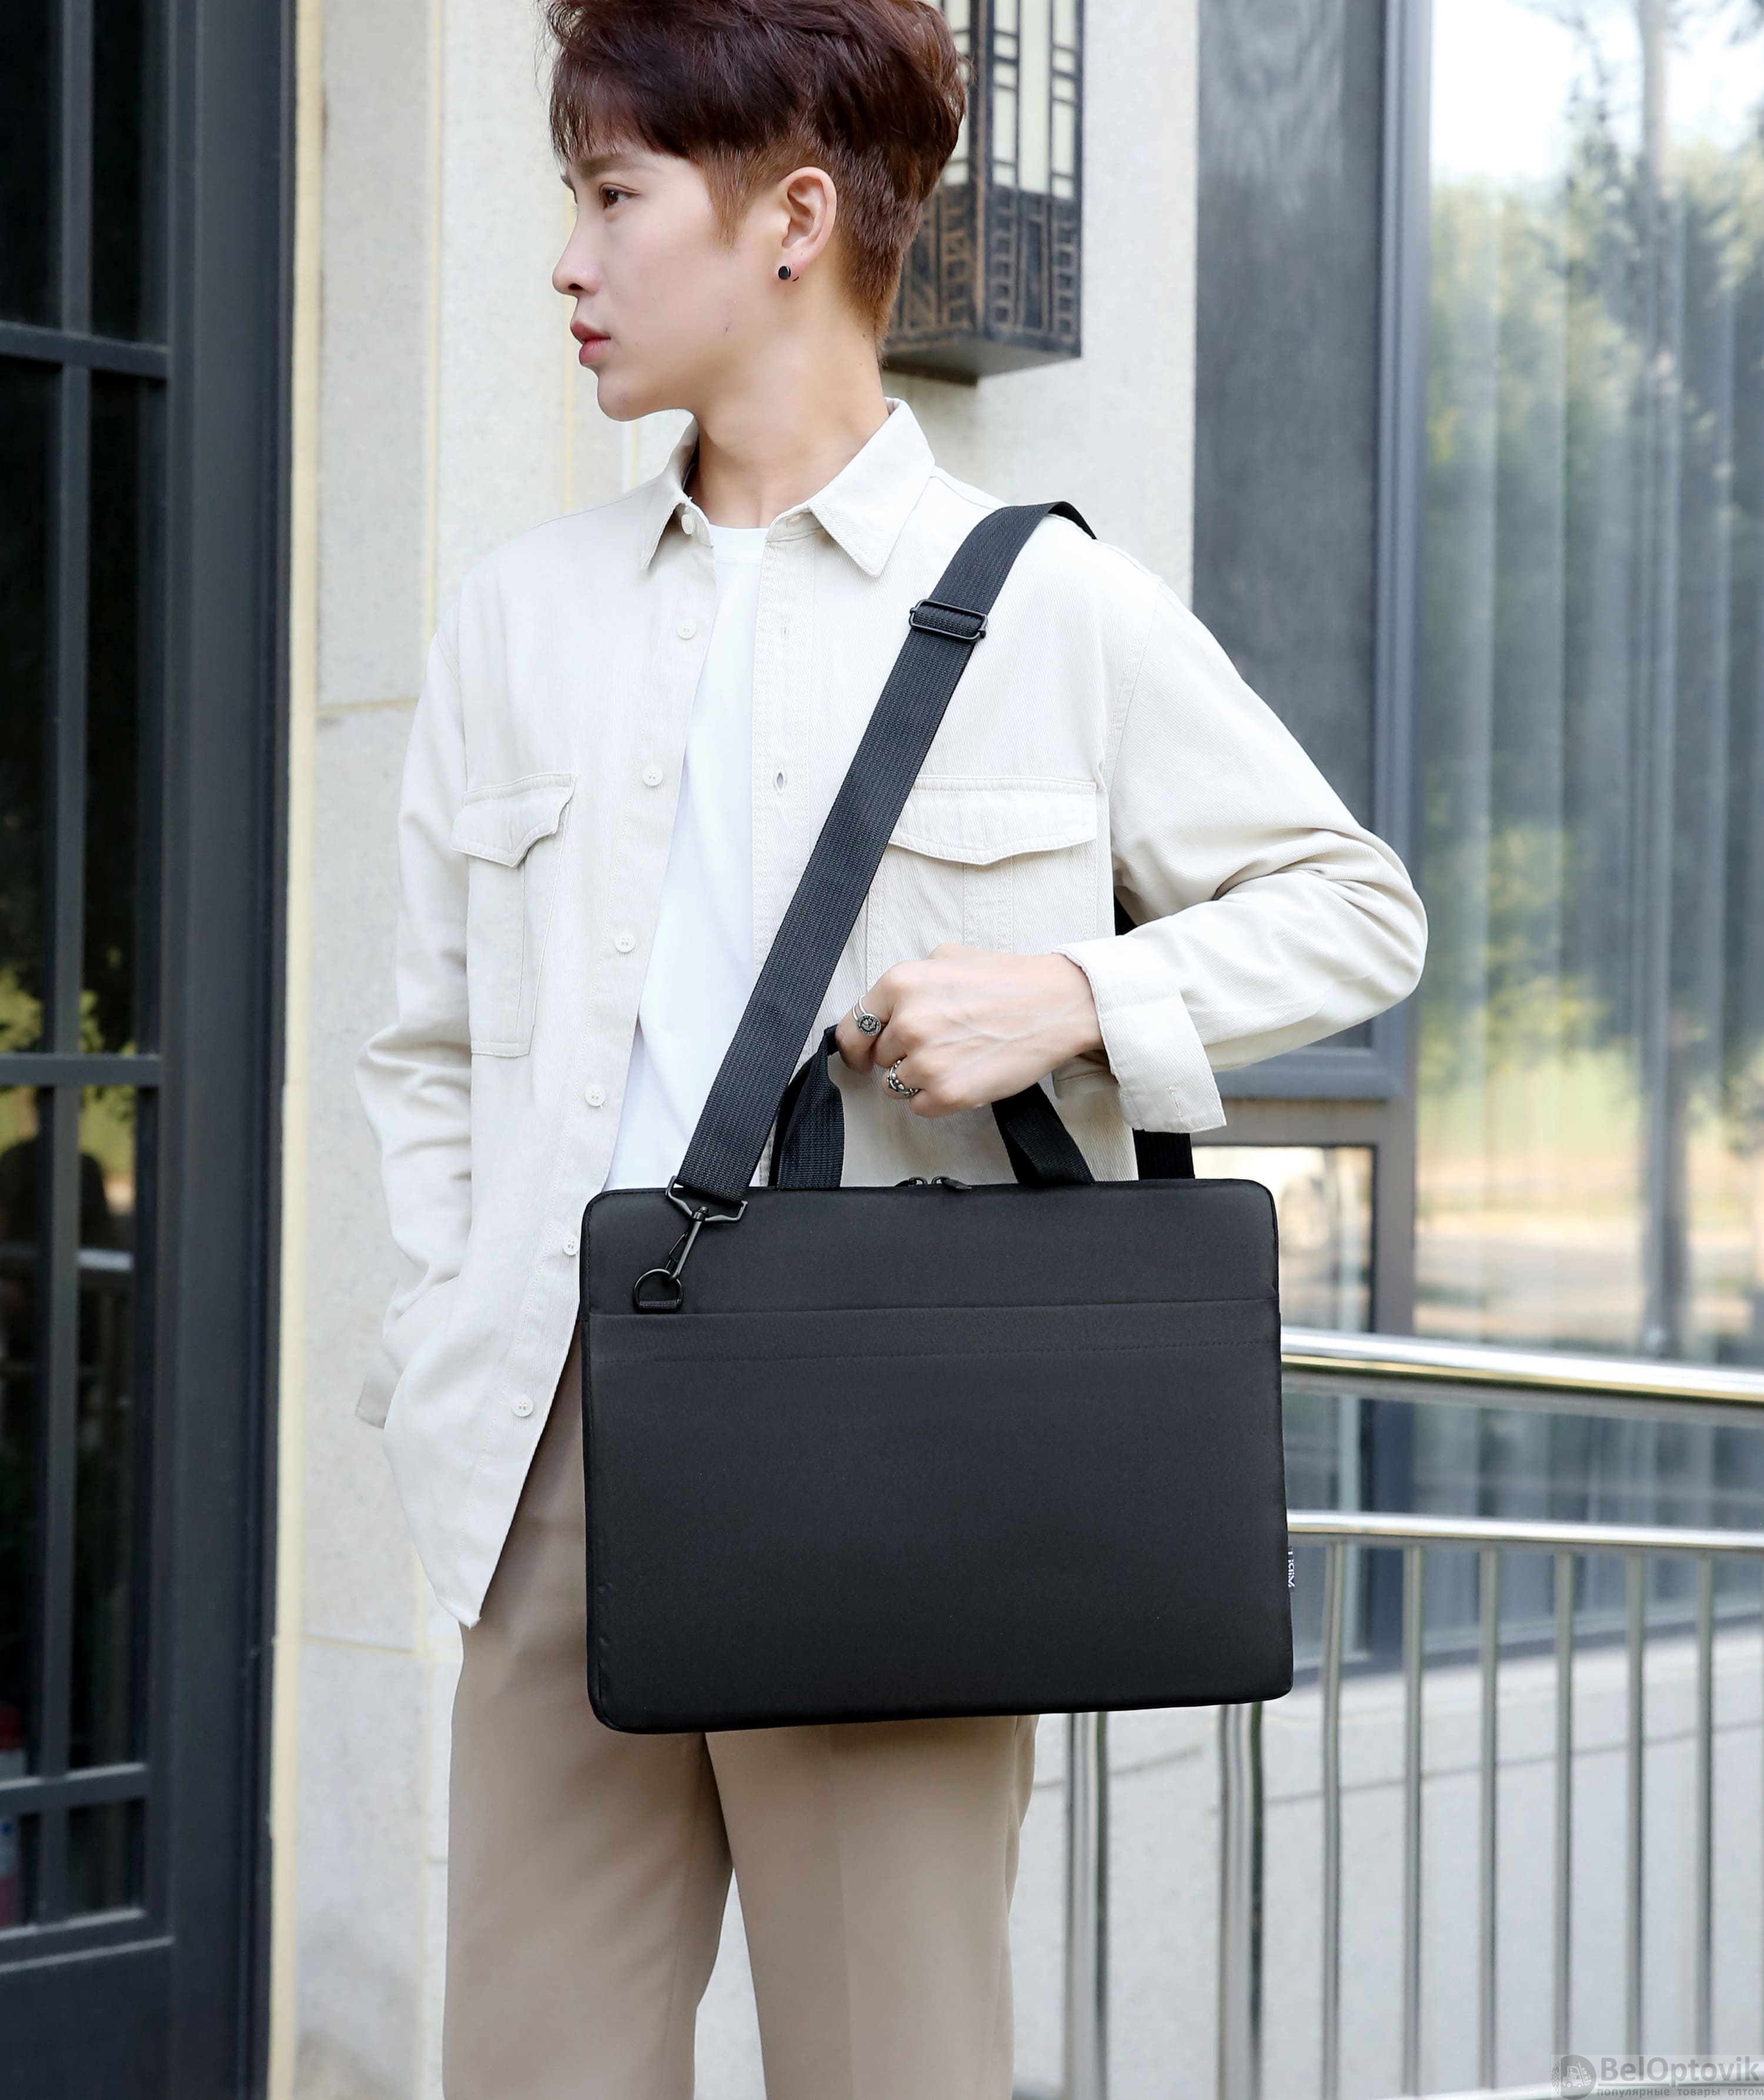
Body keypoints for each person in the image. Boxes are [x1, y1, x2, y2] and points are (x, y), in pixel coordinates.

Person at [355, 2, 1429, 2094]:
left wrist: (1081, 995)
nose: (567, 261)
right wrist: (439, 1342)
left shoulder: (1044, 605)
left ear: (793, 219)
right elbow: (430, 1049)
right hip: (553, 1452)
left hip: (881, 1456)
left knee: (890, 2064)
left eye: (611, 198)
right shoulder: (518, 615)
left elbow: (1354, 903)